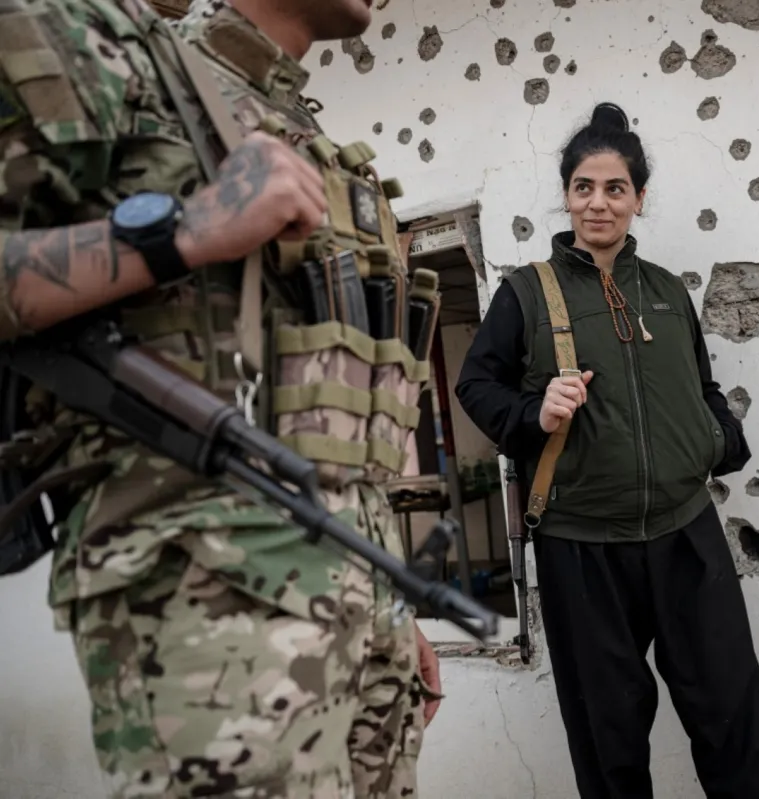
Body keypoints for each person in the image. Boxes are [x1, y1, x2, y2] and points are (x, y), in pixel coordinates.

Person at [0, 0, 440, 793]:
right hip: (213, 612)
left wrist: (388, 600)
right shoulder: (101, 51)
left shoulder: (289, 116)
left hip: (359, 613)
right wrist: (186, 229)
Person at [455, 102, 759, 798]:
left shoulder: (669, 291)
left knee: (735, 715)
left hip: (685, 533)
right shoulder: (526, 293)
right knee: (608, 737)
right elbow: (475, 384)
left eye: (615, 188)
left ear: (638, 198)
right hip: (581, 545)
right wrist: (534, 412)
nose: (599, 202)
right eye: (584, 186)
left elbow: (702, 386)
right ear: (567, 196)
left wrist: (718, 438)